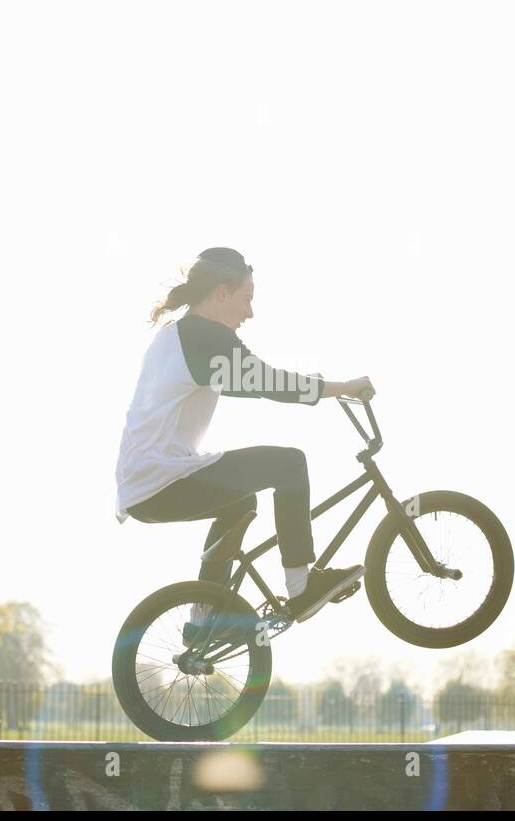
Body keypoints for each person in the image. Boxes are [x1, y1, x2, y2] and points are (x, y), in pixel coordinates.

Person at [114, 247, 374, 633]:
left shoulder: (178, 336)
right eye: (246, 299)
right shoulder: (202, 338)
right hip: (160, 478)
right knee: (289, 464)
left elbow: (258, 380)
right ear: (221, 292)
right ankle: (301, 585)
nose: (249, 313)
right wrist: (342, 387)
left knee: (240, 502)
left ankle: (204, 616)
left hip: (146, 483)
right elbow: (268, 382)